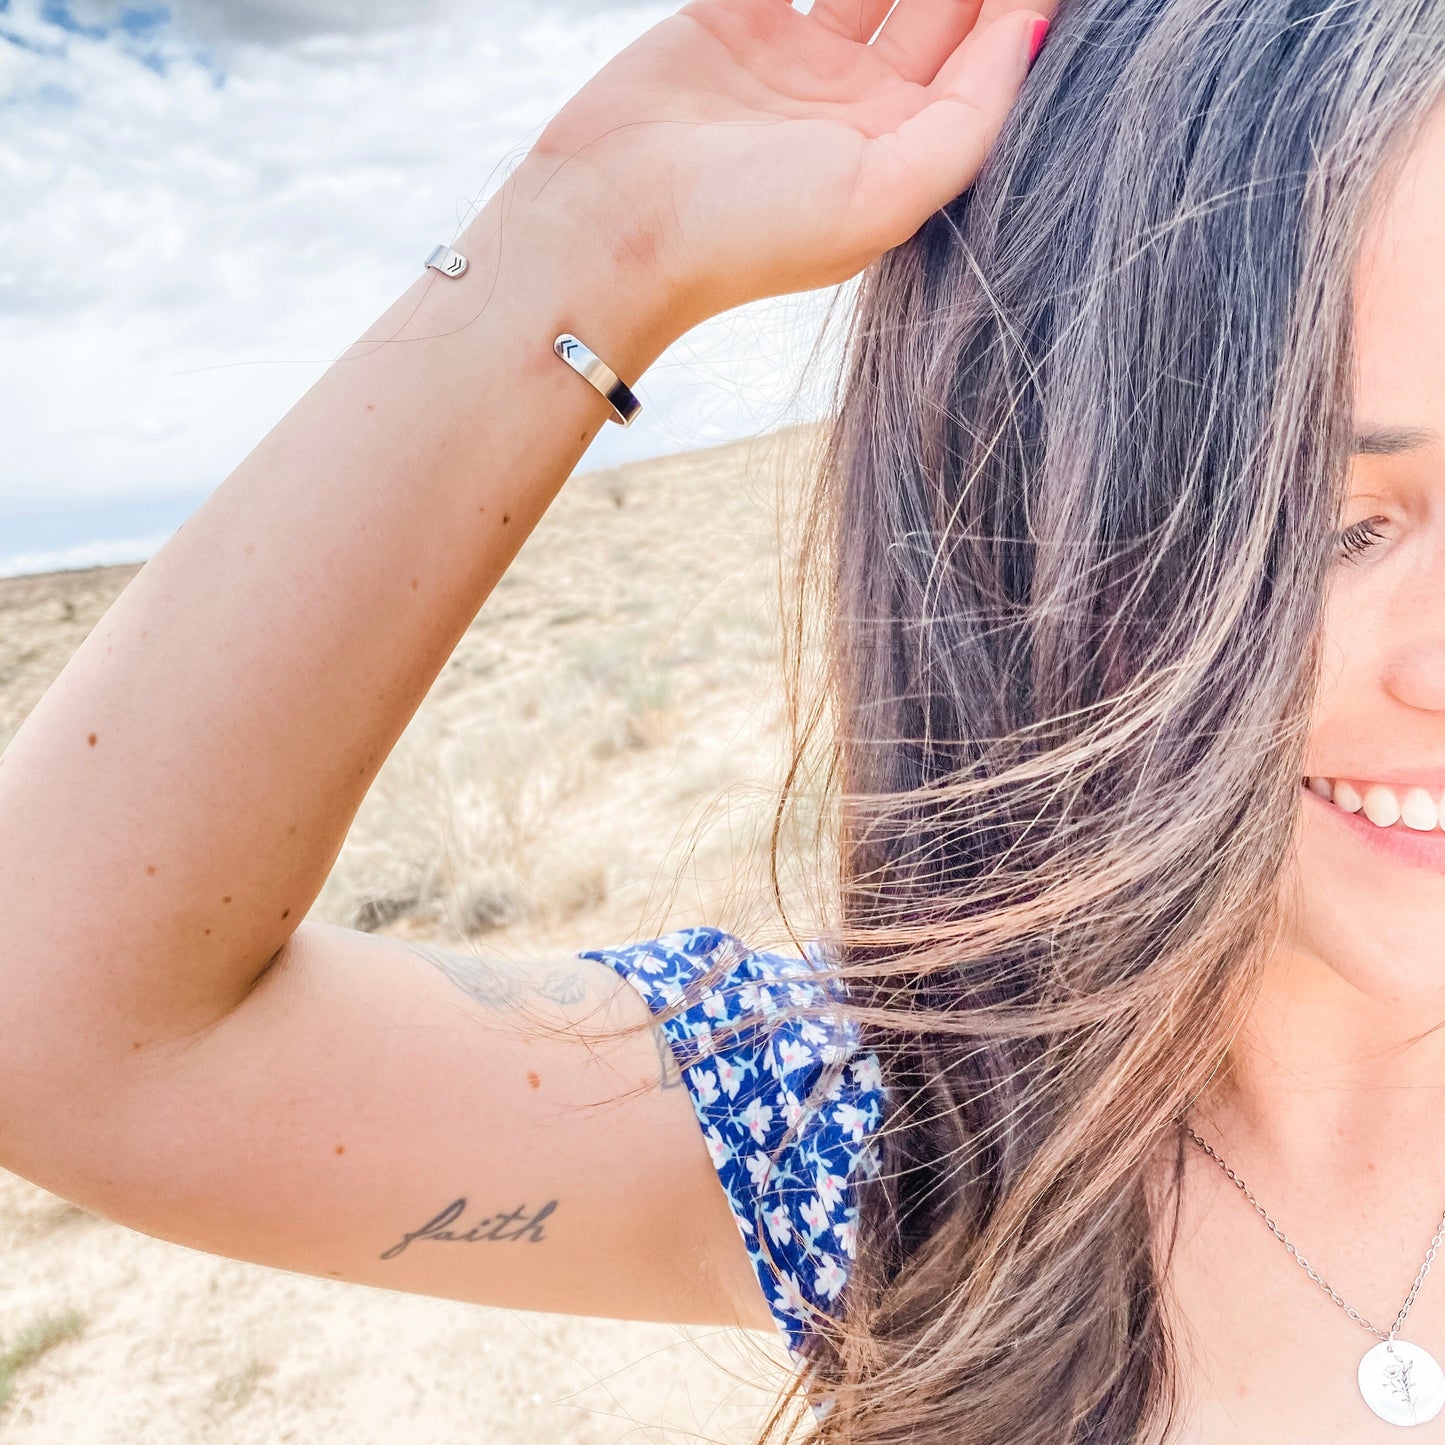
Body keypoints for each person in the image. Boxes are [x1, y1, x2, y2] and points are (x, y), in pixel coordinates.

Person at [1, 0, 1443, 1437]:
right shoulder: (898, 1131)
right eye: (1334, 527)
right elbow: (76, 1034)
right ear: (1034, 538)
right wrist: (590, 239)